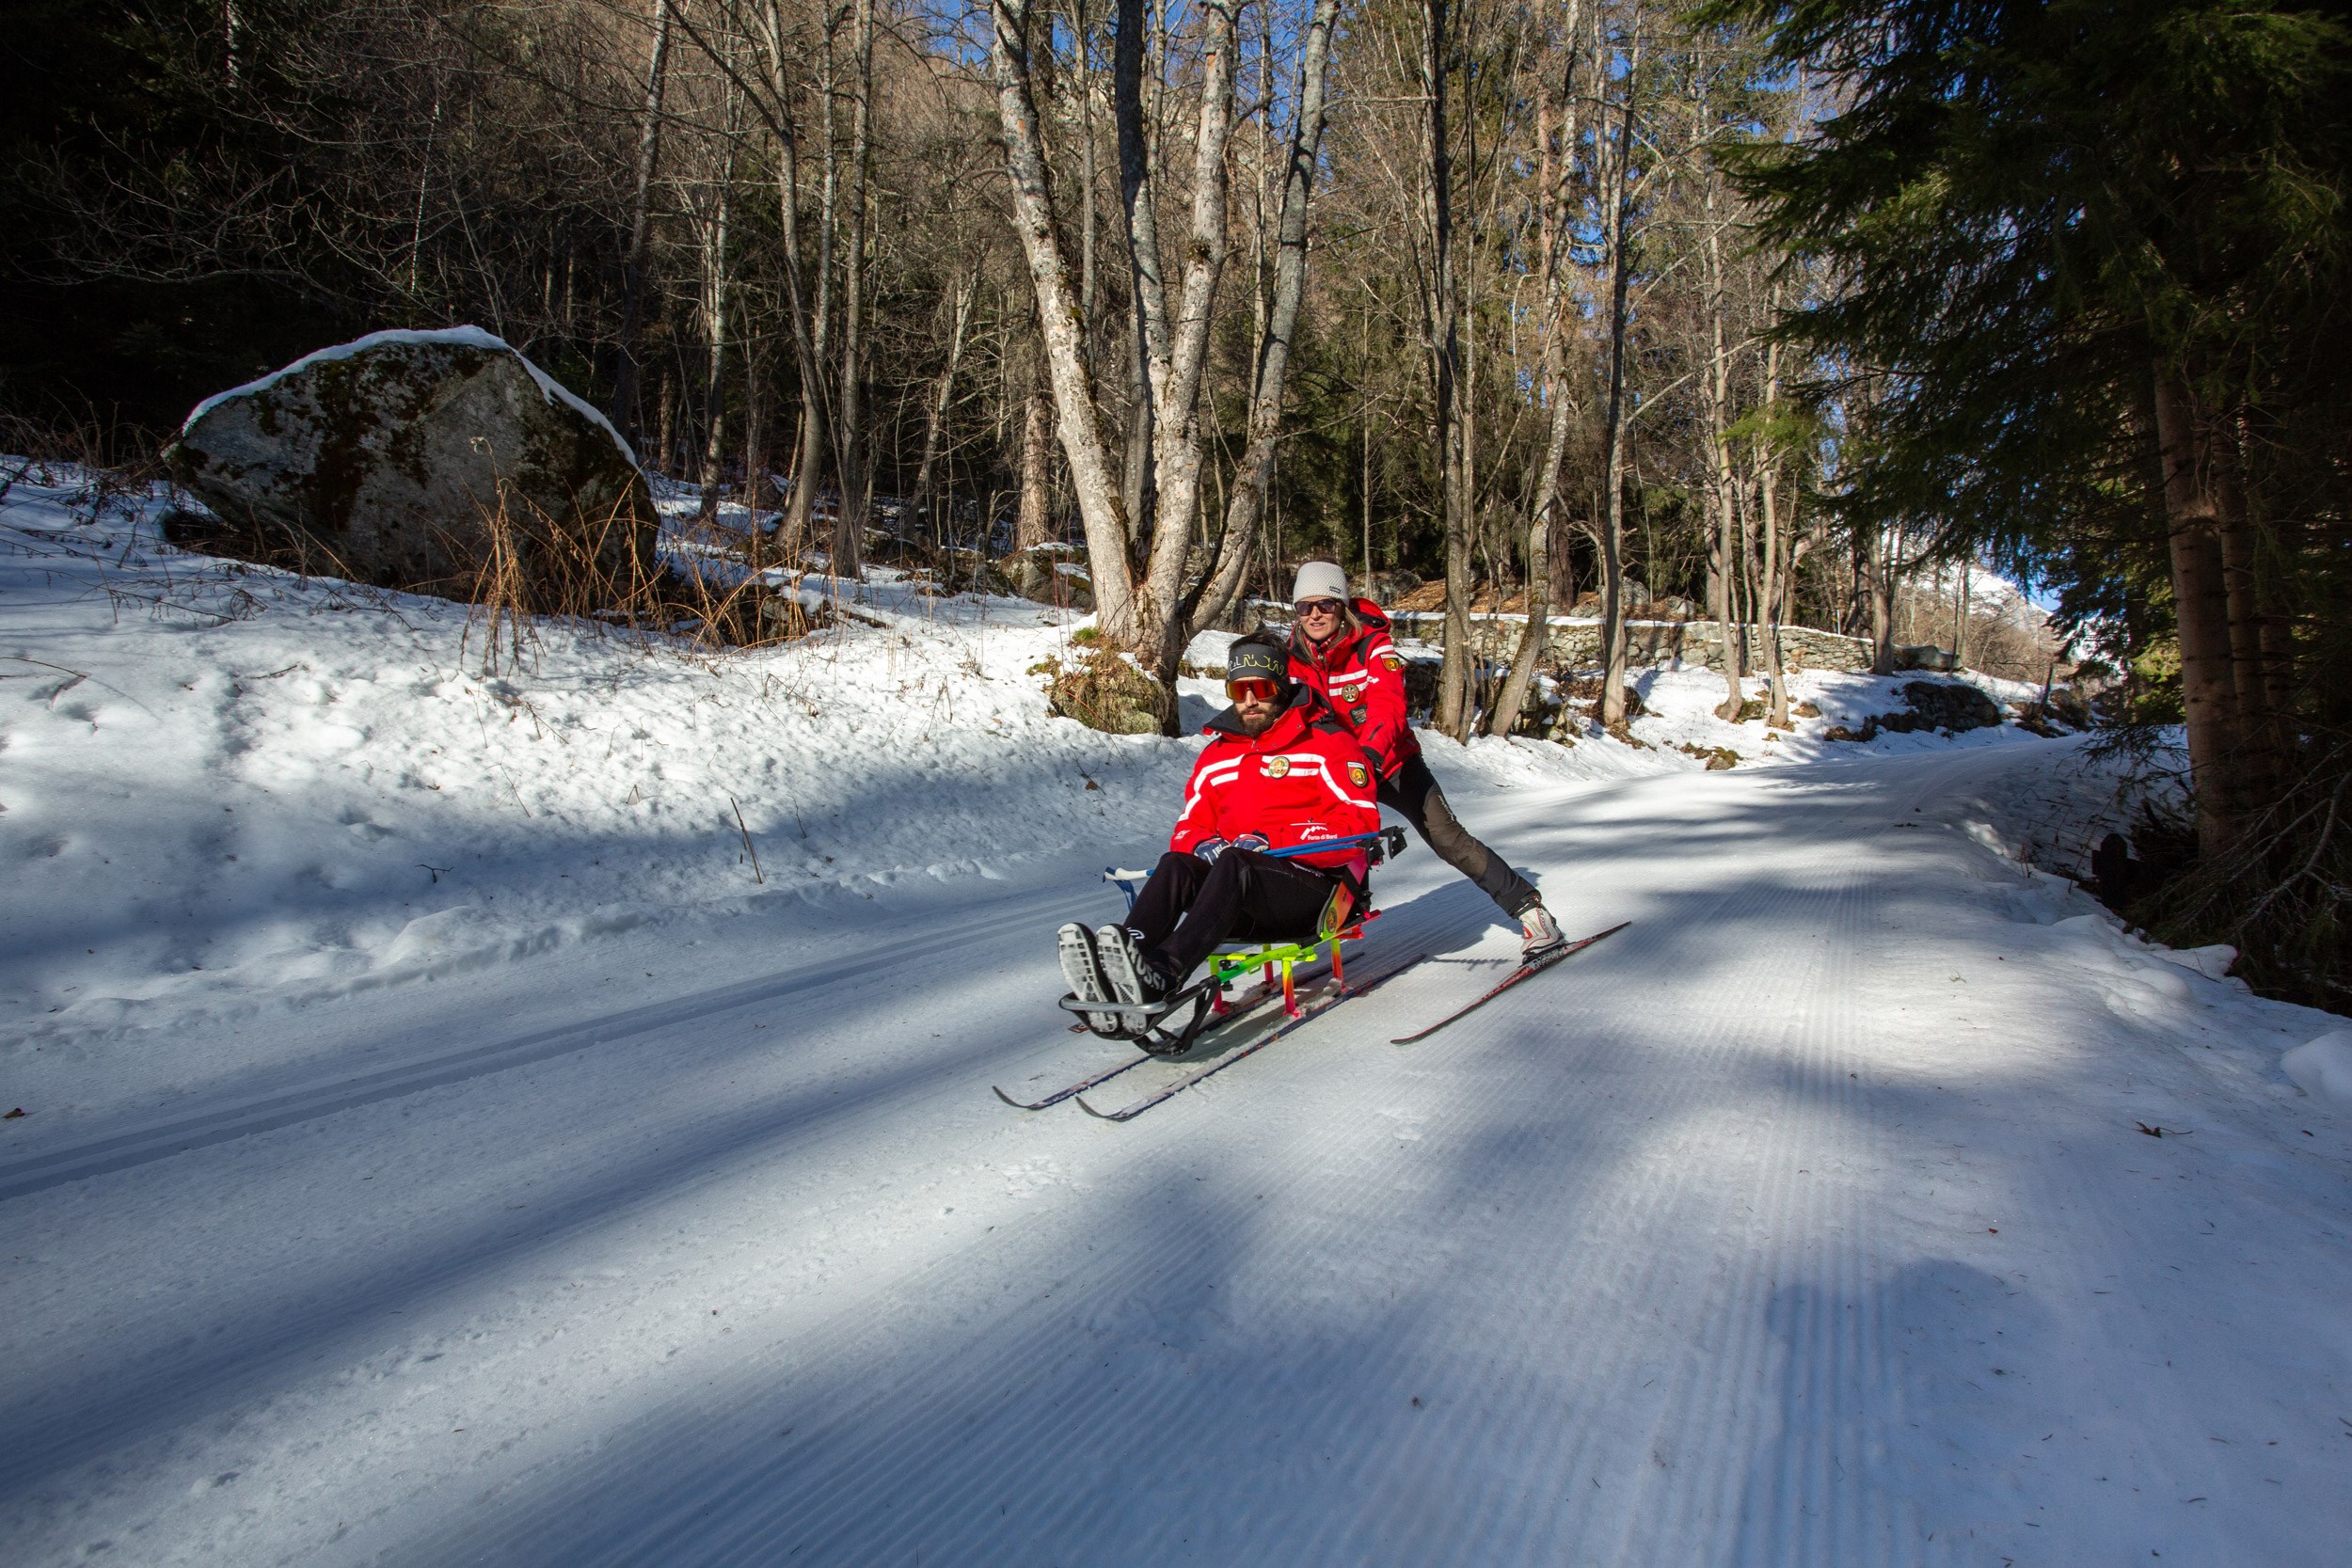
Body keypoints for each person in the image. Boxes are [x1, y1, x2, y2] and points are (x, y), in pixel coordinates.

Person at [1060, 634, 1382, 1015]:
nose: (1248, 700)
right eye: (1238, 689)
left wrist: (1270, 840)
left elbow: (1360, 826)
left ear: (1281, 686)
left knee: (1236, 862)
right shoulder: (1216, 755)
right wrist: (1198, 845)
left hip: (1311, 893)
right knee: (1176, 863)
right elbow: (1187, 827)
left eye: (1260, 689)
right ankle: (1128, 958)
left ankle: (1165, 972)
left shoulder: (1327, 742)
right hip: (1236, 895)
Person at [1283, 558, 1565, 954]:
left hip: (1391, 763)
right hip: (1333, 771)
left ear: (1342, 607)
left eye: (1325, 605)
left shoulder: (1373, 646)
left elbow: (1388, 706)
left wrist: (1369, 755)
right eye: (1305, 606)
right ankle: (1322, 921)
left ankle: (1531, 911)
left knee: (1448, 838)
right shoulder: (1292, 656)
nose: (1315, 614)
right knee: (1309, 839)